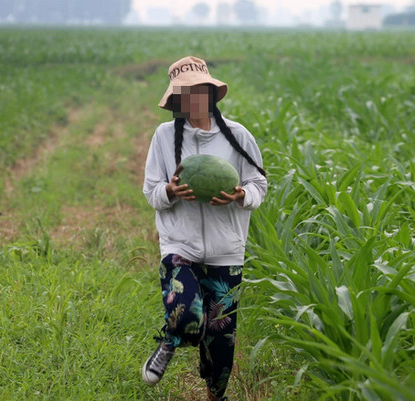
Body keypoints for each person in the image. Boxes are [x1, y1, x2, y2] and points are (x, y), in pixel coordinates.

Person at [141, 56, 267, 401]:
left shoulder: (237, 135)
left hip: (227, 249)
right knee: (188, 316)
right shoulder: (164, 137)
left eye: (200, 90)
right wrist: (169, 191)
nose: (194, 99)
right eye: (186, 93)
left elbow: (259, 183)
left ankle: (216, 395)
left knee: (221, 342)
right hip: (180, 245)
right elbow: (150, 190)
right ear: (177, 101)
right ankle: (170, 340)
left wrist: (241, 195)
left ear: (210, 94)